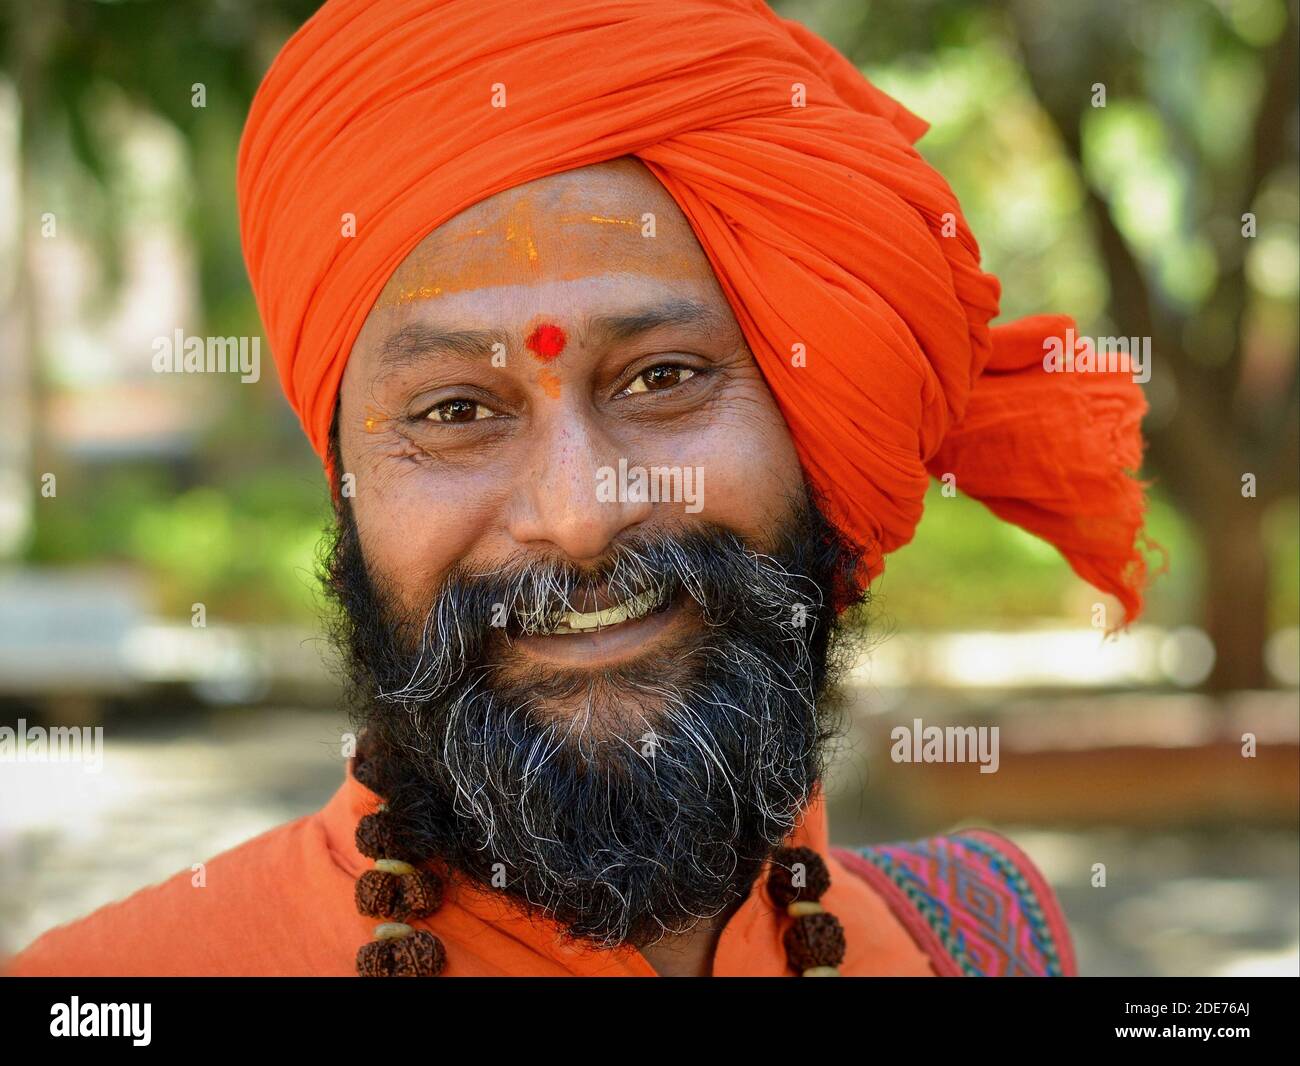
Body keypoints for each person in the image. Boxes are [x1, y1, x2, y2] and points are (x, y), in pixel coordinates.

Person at [6, 0, 1150, 977]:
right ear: (346, 480)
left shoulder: (974, 940)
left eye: (662, 378)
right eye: (455, 410)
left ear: (818, 427)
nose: (581, 511)